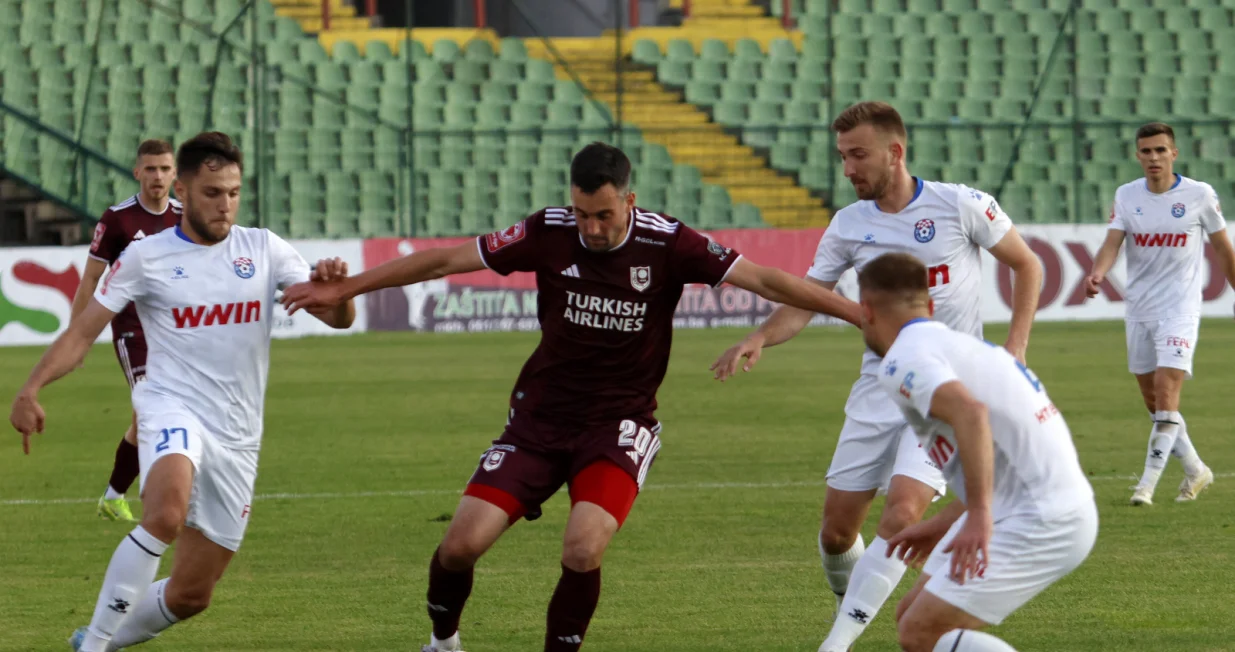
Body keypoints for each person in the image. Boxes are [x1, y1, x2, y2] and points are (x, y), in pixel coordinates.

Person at [279, 141, 862, 652]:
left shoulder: (670, 243)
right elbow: (446, 259)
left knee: (583, 547)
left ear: (629, 202)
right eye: (582, 213)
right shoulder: (548, 230)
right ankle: (442, 641)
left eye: (603, 215)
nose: (590, 228)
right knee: (459, 547)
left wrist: (858, 313)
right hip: (539, 419)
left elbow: (763, 279)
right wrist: (350, 285)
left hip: (619, 424)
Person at [709, 101, 1043, 652]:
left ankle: (837, 644)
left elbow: (1026, 264)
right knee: (838, 533)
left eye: (858, 155)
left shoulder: (959, 205)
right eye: (842, 157)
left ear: (896, 152)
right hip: (879, 387)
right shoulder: (849, 224)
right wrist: (759, 336)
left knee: (904, 511)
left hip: (944, 390)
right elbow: (806, 298)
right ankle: (855, 604)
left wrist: (1016, 346)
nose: (848, 169)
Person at [8, 132, 355, 652]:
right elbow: (82, 331)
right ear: (185, 191)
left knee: (193, 593)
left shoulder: (263, 248)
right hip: (169, 401)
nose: (226, 204)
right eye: (214, 192)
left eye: (234, 192)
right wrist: (31, 387)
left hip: (237, 432)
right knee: (165, 513)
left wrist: (339, 293)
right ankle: (97, 646)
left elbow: (337, 318)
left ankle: (95, 639)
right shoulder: (146, 256)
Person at [855, 251, 1096, 652]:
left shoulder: (902, 359)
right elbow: (1005, 456)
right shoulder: (961, 346)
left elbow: (970, 412)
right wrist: (947, 520)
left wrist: (979, 514)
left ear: (865, 310)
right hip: (1045, 505)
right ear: (930, 307)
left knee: (920, 632)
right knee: (910, 620)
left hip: (1042, 518)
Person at [1084, 121, 1235, 506]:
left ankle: (1145, 486)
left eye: (1160, 150)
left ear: (1174, 154)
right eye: (1146, 151)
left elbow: (1222, 248)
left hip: (1180, 309)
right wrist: (1099, 271)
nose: (1153, 158)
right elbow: (1111, 243)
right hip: (1139, 310)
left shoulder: (1199, 195)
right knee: (1153, 402)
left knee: (1167, 394)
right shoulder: (1126, 195)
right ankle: (1196, 469)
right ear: (1138, 155)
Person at [69, 139, 182, 523]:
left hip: (176, 332)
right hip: (133, 331)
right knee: (152, 411)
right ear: (137, 172)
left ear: (175, 174)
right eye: (150, 168)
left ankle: (113, 496)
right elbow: (90, 280)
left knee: (144, 418)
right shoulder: (117, 220)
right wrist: (75, 342)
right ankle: (162, 498)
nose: (158, 176)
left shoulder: (186, 216)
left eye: (165, 169)